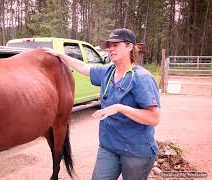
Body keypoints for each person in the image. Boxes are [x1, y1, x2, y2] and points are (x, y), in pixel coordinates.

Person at [45, 28, 160, 180]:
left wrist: (120, 108)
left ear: (130, 46)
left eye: (116, 45)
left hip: (136, 151)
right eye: (109, 46)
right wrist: (60, 55)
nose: (111, 49)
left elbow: (154, 118)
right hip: (109, 147)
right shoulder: (109, 71)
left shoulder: (142, 78)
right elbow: (84, 68)